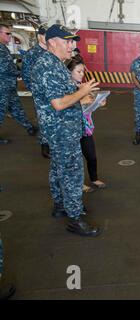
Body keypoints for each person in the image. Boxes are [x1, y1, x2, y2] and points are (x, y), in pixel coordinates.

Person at [31, 24, 101, 237]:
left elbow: (62, 96)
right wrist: (83, 92)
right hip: (61, 130)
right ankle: (75, 218)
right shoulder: (48, 66)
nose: (71, 45)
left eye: (72, 41)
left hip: (61, 129)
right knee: (72, 172)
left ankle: (60, 205)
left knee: (58, 168)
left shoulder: (55, 64)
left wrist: (78, 92)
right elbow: (59, 103)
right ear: (52, 43)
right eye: (67, 41)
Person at [67, 56, 107, 192]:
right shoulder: (64, 88)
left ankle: (94, 178)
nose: (82, 74)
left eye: (83, 71)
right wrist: (81, 101)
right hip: (71, 130)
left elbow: (92, 101)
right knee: (76, 160)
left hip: (85, 128)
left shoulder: (83, 86)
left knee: (91, 156)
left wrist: (98, 101)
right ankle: (79, 184)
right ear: (69, 72)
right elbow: (62, 106)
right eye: (78, 71)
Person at [0, 23, 38, 144]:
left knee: (17, 108)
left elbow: (9, 66)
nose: (10, 36)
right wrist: (21, 72)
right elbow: (6, 68)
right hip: (2, 87)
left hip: (8, 86)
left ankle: (29, 127)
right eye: (7, 33)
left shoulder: (3, 48)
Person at [22, 25, 51, 158]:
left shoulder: (52, 52)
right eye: (46, 35)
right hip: (41, 95)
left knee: (53, 119)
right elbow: (26, 76)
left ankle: (52, 143)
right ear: (40, 36)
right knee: (43, 119)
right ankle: (44, 146)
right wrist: (36, 92)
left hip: (53, 92)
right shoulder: (32, 53)